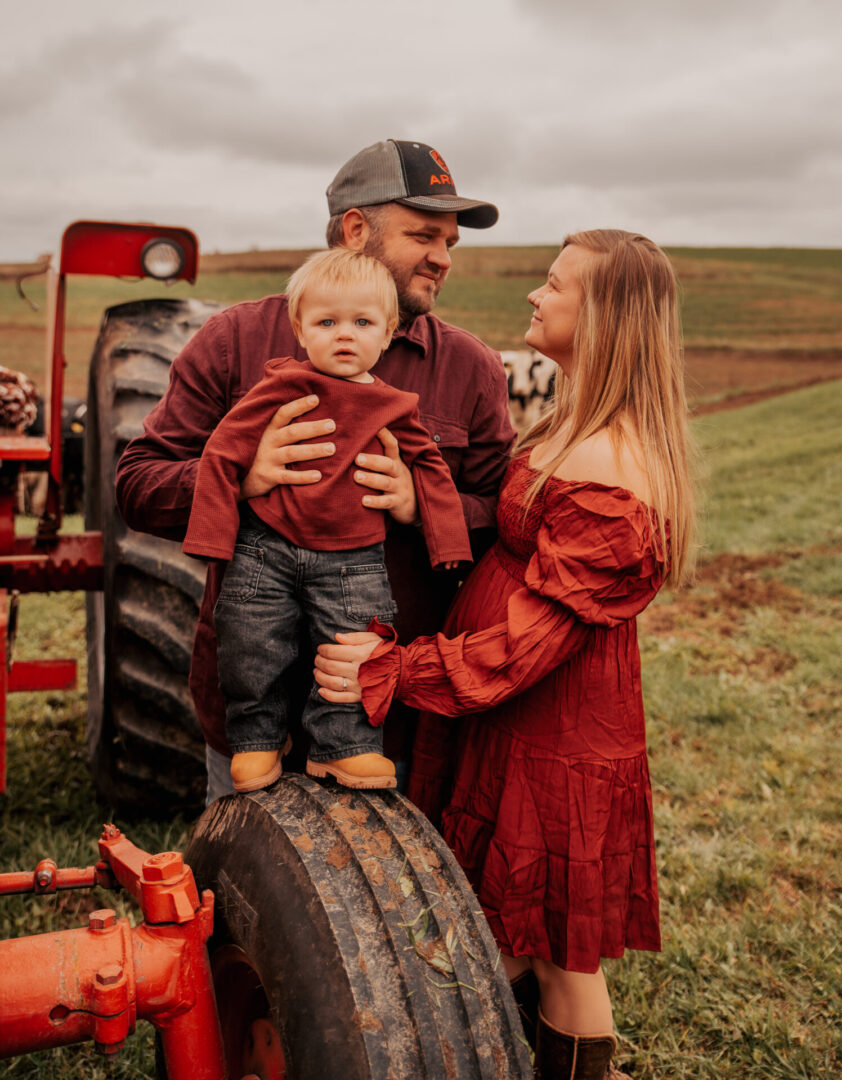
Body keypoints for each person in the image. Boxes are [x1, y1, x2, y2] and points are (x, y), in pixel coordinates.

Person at [314, 230, 697, 1080]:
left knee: (563, 956)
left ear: (601, 317)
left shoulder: (612, 461)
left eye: (553, 284)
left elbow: (528, 646)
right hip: (517, 724)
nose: (534, 295)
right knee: (509, 935)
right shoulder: (573, 423)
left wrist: (398, 670)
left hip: (552, 736)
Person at [115, 139, 516, 803]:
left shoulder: (467, 366)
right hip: (251, 712)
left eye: (450, 242)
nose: (443, 258)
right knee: (248, 885)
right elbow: (137, 484)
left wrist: (425, 505)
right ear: (356, 231)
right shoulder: (236, 342)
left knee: (382, 901)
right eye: (424, 235)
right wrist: (239, 478)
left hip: (388, 715)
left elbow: (502, 514)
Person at [183, 248, 472, 792]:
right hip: (265, 550)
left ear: (387, 334)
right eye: (327, 322)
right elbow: (223, 450)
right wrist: (215, 537)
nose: (345, 335)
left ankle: (344, 748)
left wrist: (441, 536)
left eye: (362, 323)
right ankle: (256, 742)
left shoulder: (393, 404)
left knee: (353, 650)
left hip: (354, 560)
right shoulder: (280, 387)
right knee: (252, 641)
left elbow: (430, 466)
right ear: (300, 330)